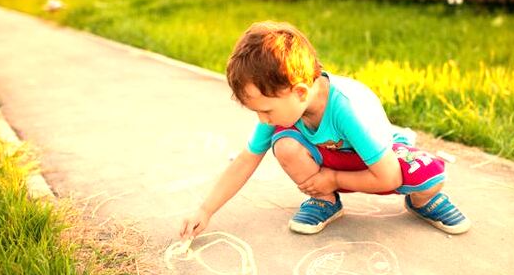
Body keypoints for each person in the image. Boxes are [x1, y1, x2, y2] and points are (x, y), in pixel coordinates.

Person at [179, 21, 470, 240]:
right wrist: (205, 210)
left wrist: (332, 177)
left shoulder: (347, 109)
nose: (263, 120)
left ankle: (424, 201)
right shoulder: (286, 104)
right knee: (285, 145)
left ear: (300, 91)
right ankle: (325, 201)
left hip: (377, 158)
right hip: (333, 157)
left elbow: (388, 176)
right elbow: (246, 159)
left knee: (428, 178)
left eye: (266, 110)